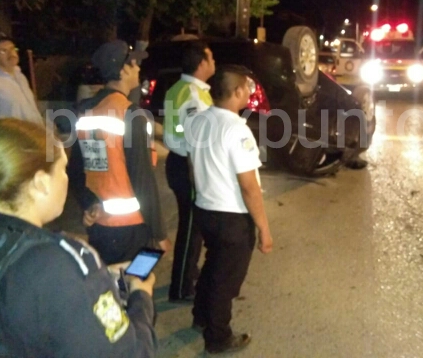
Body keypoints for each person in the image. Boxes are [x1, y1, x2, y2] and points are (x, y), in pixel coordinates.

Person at [0, 118, 158, 357]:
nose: (67, 178)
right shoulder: (61, 262)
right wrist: (141, 297)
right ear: (41, 183)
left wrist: (101, 278)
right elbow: (131, 353)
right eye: (62, 169)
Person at [186, 65, 273, 355]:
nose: (250, 91)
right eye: (247, 86)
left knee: (213, 266)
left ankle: (201, 316)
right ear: (236, 92)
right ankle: (218, 337)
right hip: (232, 217)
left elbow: (192, 163)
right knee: (226, 281)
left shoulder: (198, 122)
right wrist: (263, 227)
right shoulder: (236, 129)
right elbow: (249, 185)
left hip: (205, 209)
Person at [67, 40, 171, 264]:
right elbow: (142, 179)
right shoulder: (129, 114)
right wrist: (159, 232)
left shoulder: (84, 111)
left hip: (99, 225)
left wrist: (88, 203)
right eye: (134, 64)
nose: (139, 68)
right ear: (123, 70)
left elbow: (75, 169)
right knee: (138, 282)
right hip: (133, 228)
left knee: (109, 285)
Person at [164, 40, 215, 303]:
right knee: (192, 228)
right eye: (211, 57)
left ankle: (187, 274)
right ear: (201, 63)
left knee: (190, 225)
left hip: (178, 161)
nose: (214, 62)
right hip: (188, 165)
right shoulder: (194, 95)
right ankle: (182, 287)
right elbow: (197, 139)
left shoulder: (178, 88)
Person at [0, 32, 43, 126]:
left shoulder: (21, 77)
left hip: (32, 138)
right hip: (9, 139)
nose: (11, 53)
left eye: (12, 48)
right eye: (3, 51)